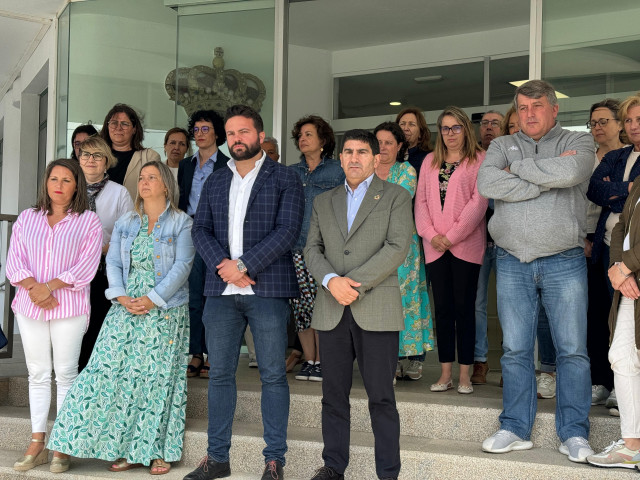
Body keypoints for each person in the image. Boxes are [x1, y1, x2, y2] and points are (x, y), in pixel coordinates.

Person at [47, 161, 195, 475]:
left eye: (151, 177)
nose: (144, 182)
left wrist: (153, 300)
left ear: (166, 185)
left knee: (156, 380)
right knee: (110, 374)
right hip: (125, 306)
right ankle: (127, 447)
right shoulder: (128, 221)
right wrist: (118, 294)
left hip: (164, 310)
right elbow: (113, 260)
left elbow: (183, 266)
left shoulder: (182, 223)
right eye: (141, 177)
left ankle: (156, 451)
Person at [477, 79, 595, 463]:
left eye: (538, 106)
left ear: (554, 109)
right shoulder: (499, 145)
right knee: (514, 350)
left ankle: (574, 433)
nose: (530, 114)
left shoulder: (579, 141)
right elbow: (487, 182)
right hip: (512, 260)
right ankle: (514, 427)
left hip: (564, 259)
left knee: (572, 350)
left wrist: (521, 171)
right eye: (523, 107)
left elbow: (572, 172)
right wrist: (545, 179)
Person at [185, 105, 304, 480]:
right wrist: (224, 264)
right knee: (220, 374)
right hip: (220, 292)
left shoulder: (285, 178)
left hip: (266, 290)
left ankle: (274, 461)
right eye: (231, 133)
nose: (237, 138)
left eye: (244, 132)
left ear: (260, 135)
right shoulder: (217, 180)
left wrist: (244, 266)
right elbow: (199, 228)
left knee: (272, 375)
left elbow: (287, 232)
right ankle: (216, 459)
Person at [305, 129, 413, 480]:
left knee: (381, 397)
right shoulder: (324, 200)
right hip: (331, 307)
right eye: (348, 151)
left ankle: (388, 473)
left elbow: (398, 247)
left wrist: (355, 284)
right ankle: (334, 466)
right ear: (340, 157)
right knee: (332, 394)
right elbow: (311, 249)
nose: (354, 158)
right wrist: (330, 281)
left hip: (376, 309)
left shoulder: (396, 196)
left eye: (362, 152)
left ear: (376, 157)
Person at [6, 158, 102, 473]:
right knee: (37, 372)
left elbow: (86, 268)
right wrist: (36, 289)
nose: (58, 185)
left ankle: (62, 443)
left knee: (65, 373)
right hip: (30, 304)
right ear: (46, 183)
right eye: (53, 179)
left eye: (66, 180)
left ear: (77, 186)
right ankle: (37, 440)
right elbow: (14, 262)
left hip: (69, 307)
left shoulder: (88, 221)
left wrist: (50, 288)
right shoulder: (26, 218)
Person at [415, 106, 487, 394]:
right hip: (434, 248)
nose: (450, 134)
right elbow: (420, 203)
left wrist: (452, 236)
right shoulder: (430, 161)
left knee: (464, 311)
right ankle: (445, 373)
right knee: (442, 311)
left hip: (465, 247)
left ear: (465, 129)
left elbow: (478, 203)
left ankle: (465, 375)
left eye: (455, 127)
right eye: (445, 128)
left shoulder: (479, 159)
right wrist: (432, 235)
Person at [586, 150, 640, 468]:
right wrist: (620, 265)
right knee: (621, 355)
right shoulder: (637, 182)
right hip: (628, 282)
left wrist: (629, 266)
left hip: (632, 276)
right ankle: (632, 443)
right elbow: (620, 227)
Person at [374, 121, 433, 382]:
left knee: (405, 301)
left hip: (401, 248)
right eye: (378, 142)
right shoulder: (364, 170)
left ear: (400, 146)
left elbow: (394, 203)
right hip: (371, 248)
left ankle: (414, 358)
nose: (383, 147)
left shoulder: (406, 171)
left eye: (389, 142)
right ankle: (391, 360)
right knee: (381, 302)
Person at [289, 115, 344, 382]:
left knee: (323, 305)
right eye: (300, 135)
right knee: (301, 306)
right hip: (296, 248)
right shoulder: (290, 172)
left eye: (309, 134)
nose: (302, 138)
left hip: (325, 249)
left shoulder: (337, 170)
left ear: (323, 140)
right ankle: (309, 360)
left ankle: (324, 361)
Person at [178, 110, 228, 379]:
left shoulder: (228, 165)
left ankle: (214, 354)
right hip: (189, 231)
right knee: (193, 296)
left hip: (217, 234)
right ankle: (196, 352)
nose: (199, 133)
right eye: (196, 129)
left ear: (217, 133)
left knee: (214, 297)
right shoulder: (186, 165)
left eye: (205, 129)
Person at [76, 136, 134, 371]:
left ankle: (91, 370)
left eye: (97, 155)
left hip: (103, 269)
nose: (91, 160)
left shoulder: (119, 193)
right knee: (74, 323)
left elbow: (129, 236)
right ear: (79, 159)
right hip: (71, 271)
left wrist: (98, 249)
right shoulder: (69, 189)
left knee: (97, 323)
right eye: (86, 155)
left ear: (107, 161)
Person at [585, 99, 626, 409]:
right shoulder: (596, 157)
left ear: (619, 123)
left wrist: (616, 189)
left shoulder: (628, 156)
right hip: (592, 244)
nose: (597, 127)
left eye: (604, 121)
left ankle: (621, 385)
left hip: (623, 246)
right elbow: (592, 192)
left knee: (622, 319)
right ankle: (600, 381)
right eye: (593, 123)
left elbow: (625, 197)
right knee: (596, 316)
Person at [472, 110, 505, 385]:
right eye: (484, 123)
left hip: (507, 242)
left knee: (510, 305)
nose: (489, 128)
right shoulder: (472, 158)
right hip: (477, 241)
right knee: (477, 304)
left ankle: (511, 365)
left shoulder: (510, 154)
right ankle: (479, 362)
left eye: (495, 123)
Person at [100, 103, 161, 199]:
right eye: (114, 123)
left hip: (134, 213)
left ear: (134, 129)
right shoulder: (95, 155)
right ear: (107, 127)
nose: (118, 128)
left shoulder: (149, 157)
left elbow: (155, 194)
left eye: (124, 124)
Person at [395, 107, 432, 177]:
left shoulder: (429, 158)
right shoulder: (391, 156)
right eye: (402, 124)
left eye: (411, 124)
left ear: (420, 133)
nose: (405, 128)